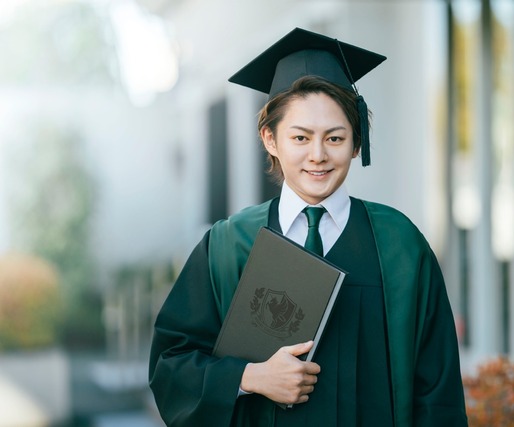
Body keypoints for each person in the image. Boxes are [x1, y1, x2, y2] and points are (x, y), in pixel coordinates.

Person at [149, 27, 468, 426]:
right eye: (300, 137)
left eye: (334, 138)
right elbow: (171, 365)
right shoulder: (230, 245)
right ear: (270, 139)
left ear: (356, 142)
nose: (318, 156)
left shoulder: (400, 246)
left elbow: (438, 395)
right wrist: (249, 377)